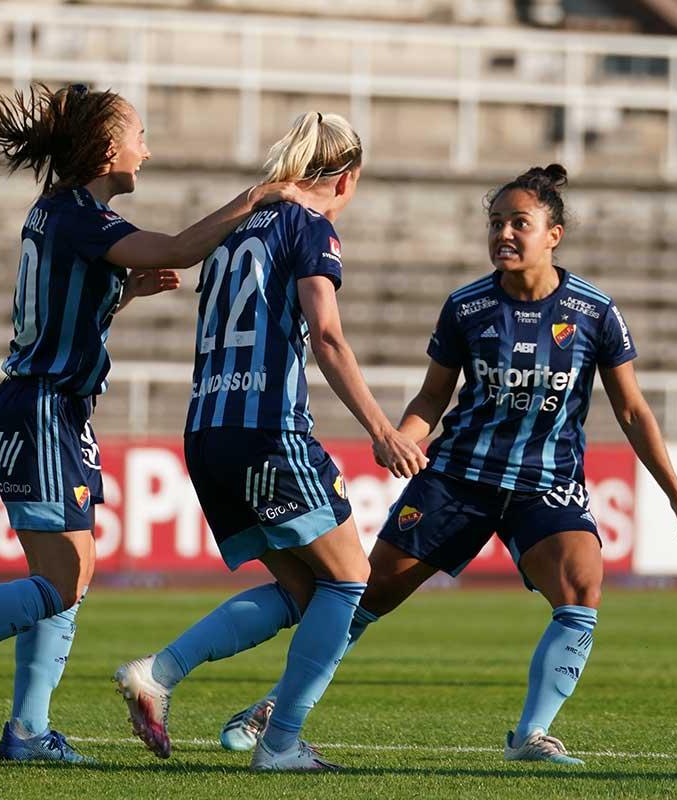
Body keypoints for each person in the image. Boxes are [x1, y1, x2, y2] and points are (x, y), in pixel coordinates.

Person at [218, 164, 677, 765]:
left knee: (582, 588)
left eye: (519, 223)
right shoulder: (467, 307)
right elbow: (432, 398)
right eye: (496, 223)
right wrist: (402, 438)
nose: (504, 234)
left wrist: (676, 494)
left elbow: (632, 410)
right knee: (365, 595)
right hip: (457, 481)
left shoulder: (595, 312)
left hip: (544, 485)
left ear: (553, 234)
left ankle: (531, 736)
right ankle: (275, 707)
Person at [0, 83, 299, 764]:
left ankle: (28, 731)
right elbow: (182, 246)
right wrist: (255, 197)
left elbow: (64, 309)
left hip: (53, 409)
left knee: (70, 575)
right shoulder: (78, 216)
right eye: (139, 136)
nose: (146, 151)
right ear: (107, 148)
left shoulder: (63, 215)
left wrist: (121, 293)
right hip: (42, 407)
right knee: (64, 577)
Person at [112, 111, 427, 772]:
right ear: (347, 177)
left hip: (207, 431)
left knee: (304, 592)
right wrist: (381, 429)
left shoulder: (233, 230)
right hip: (267, 432)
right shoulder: (310, 227)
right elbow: (327, 336)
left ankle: (158, 675)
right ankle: (279, 742)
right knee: (350, 582)